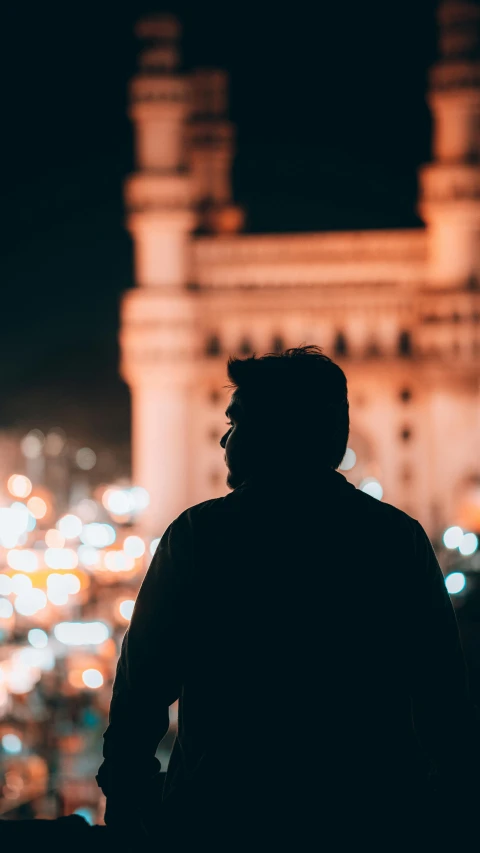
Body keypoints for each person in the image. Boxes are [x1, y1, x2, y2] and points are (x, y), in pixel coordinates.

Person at [96, 345, 479, 851]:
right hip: (370, 818)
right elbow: (444, 697)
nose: (224, 439)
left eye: (236, 422)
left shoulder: (200, 537)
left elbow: (141, 689)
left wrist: (134, 800)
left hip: (222, 818)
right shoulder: (395, 539)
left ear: (267, 432)